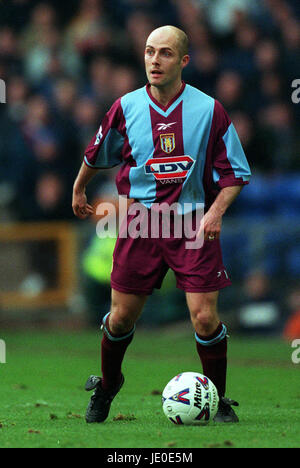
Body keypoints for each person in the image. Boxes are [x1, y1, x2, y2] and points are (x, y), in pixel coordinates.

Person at [72, 25, 251, 424]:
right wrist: (79, 188)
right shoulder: (126, 106)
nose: (155, 60)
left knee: (204, 317)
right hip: (141, 224)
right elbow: (97, 150)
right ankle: (106, 385)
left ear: (183, 61)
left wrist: (215, 211)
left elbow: (236, 172)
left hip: (191, 223)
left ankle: (217, 397)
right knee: (120, 319)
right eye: (150, 52)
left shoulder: (209, 109)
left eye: (166, 53)